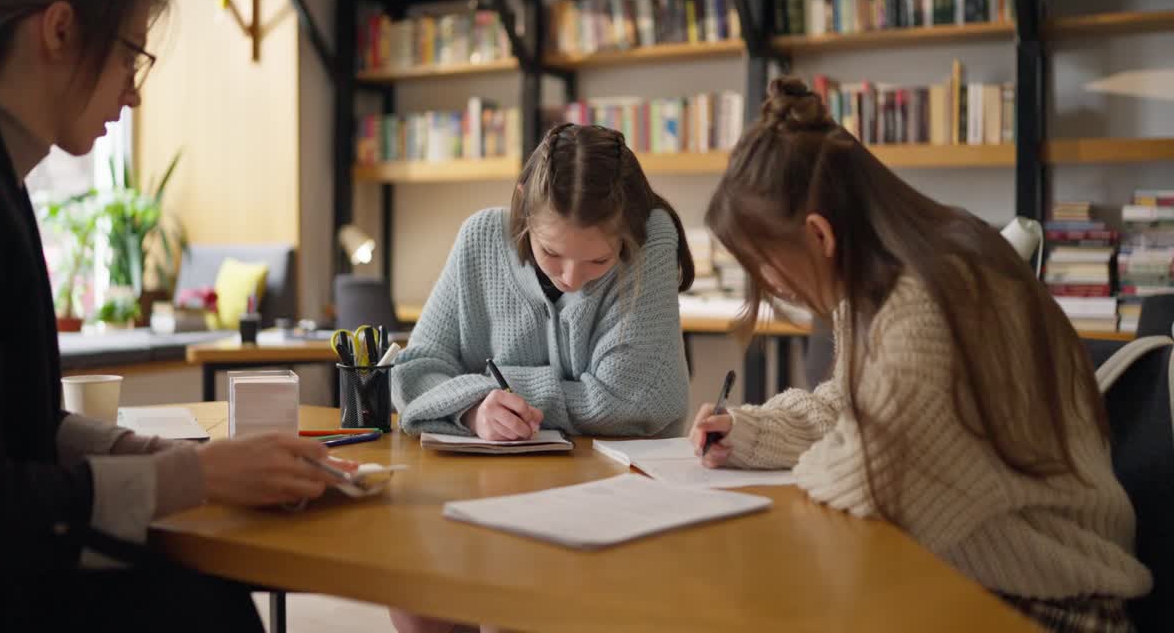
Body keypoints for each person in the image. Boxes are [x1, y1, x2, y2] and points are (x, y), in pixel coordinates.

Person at [0, 0, 351, 630]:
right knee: (207, 608)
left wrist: (190, 460)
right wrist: (197, 475)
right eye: (131, 58)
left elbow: (20, 425)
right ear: (60, 30)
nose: (134, 95)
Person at [690, 77, 1152, 632]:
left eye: (763, 263)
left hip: (1051, 606)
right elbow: (852, 408)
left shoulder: (934, 302)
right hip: (967, 576)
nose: (767, 282)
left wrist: (837, 447)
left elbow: (868, 483)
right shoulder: (883, 283)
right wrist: (749, 431)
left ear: (818, 235)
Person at [388, 122, 694, 632]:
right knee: (416, 593)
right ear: (522, 206)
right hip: (491, 490)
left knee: (526, 609)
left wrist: (496, 388)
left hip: (616, 501)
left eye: (598, 259)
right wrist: (472, 409)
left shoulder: (650, 238)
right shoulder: (480, 238)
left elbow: (636, 398)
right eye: (551, 252)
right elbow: (414, 374)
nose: (571, 279)